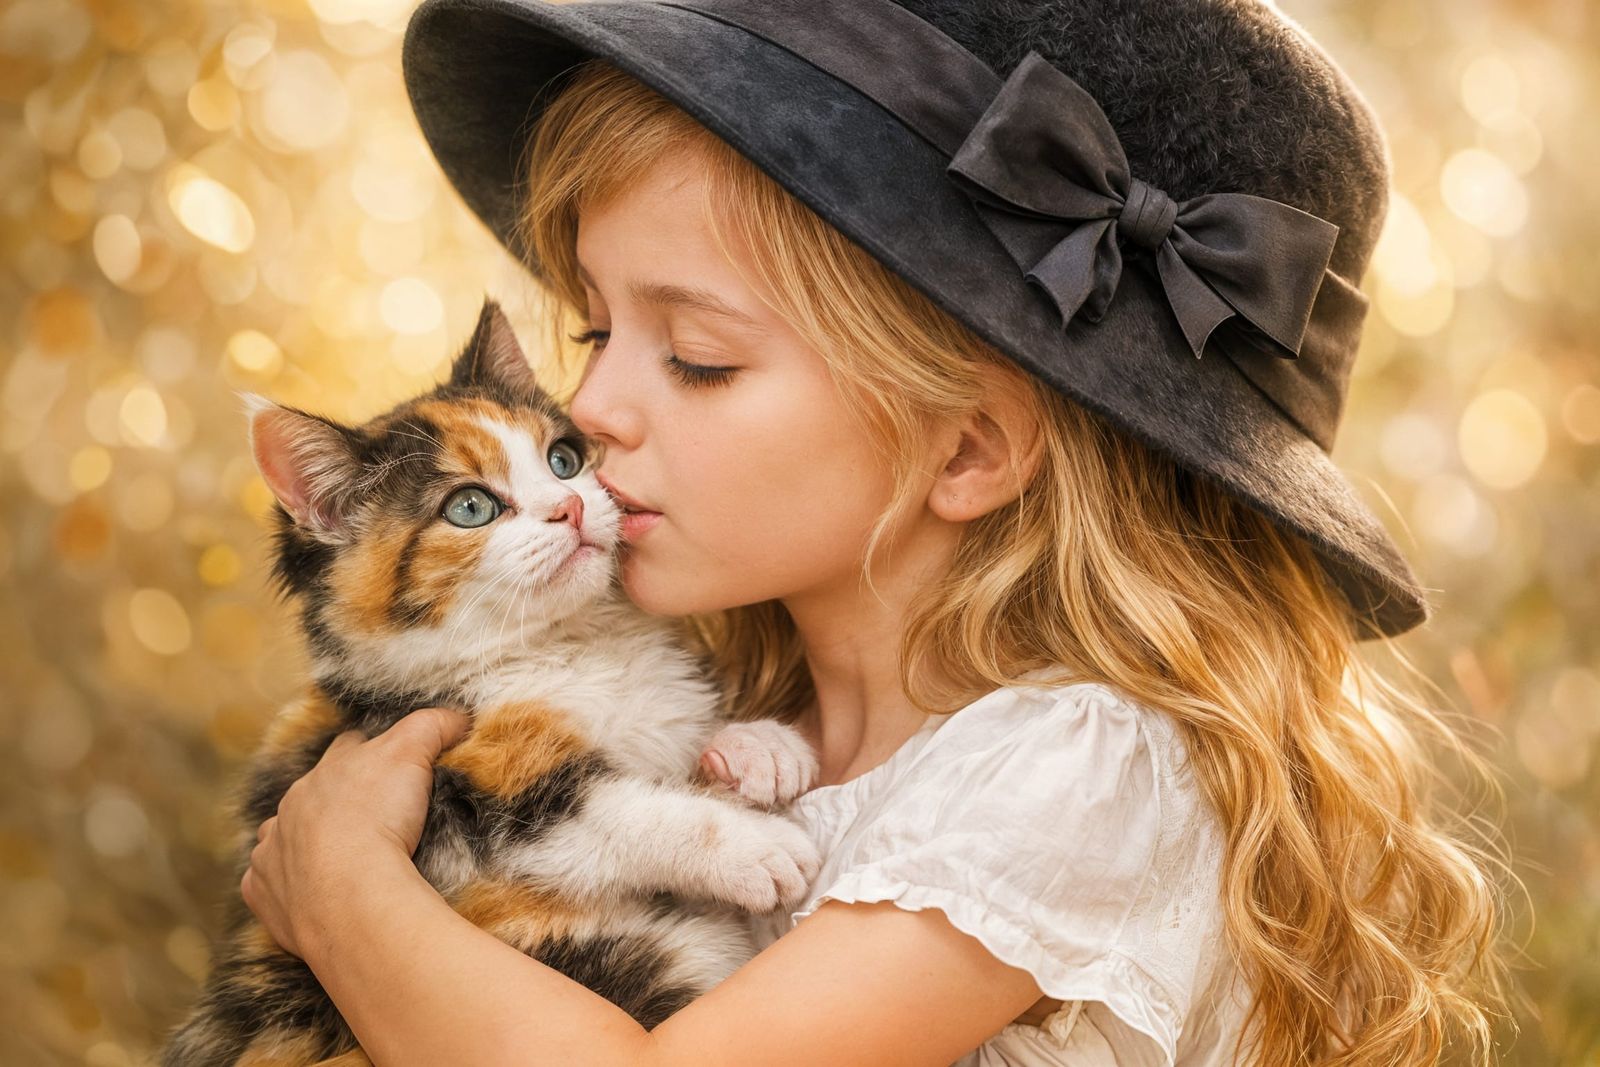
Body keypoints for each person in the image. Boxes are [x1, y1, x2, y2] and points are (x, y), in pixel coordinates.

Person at [239, 1, 1511, 1064]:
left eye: (694, 357)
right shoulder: (739, 727)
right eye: (592, 331)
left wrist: (346, 895)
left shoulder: (1084, 765)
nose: (588, 412)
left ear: (964, 446)